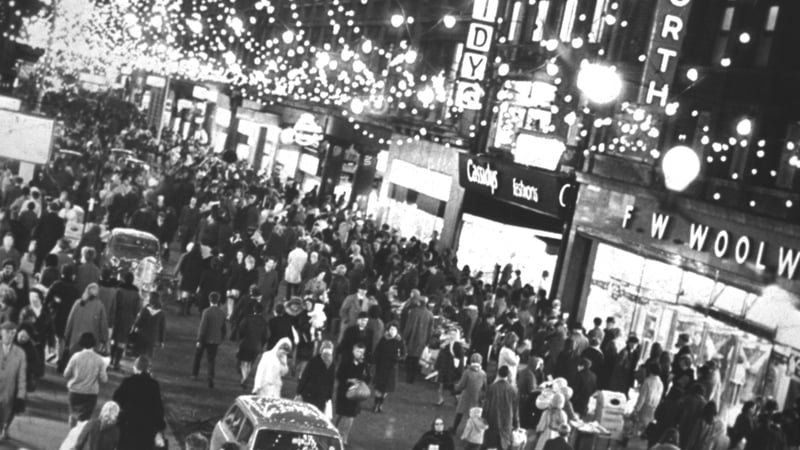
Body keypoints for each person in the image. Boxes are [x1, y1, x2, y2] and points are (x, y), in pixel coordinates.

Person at [112, 356, 166, 450]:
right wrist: (160, 425)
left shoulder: (128, 382)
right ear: (147, 369)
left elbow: (116, 398)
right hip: (147, 427)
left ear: (135, 368)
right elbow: (158, 407)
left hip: (128, 424)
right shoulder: (153, 384)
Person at [64, 332, 107, 427]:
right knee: (84, 419)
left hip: (75, 391)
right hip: (91, 394)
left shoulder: (76, 356)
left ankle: (72, 434)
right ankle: (80, 436)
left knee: (73, 415)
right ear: (94, 343)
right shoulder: (100, 360)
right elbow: (104, 379)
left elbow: (66, 374)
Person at [335, 342, 371, 446]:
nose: (359, 354)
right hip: (344, 392)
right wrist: (349, 380)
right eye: (357, 351)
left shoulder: (364, 365)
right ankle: (332, 432)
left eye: (361, 352)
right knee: (340, 414)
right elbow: (339, 376)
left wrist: (361, 381)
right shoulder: (345, 362)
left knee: (350, 416)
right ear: (353, 351)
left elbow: (368, 378)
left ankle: (344, 437)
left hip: (356, 394)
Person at [193, 291, 227, 389]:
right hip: (215, 340)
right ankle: (210, 377)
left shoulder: (206, 312)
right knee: (211, 360)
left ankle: (195, 374)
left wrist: (199, 339)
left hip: (205, 338)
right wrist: (221, 338)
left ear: (209, 300)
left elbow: (202, 327)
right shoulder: (222, 313)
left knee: (198, 356)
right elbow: (224, 329)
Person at [64, 284, 109, 356]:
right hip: (91, 344)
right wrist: (104, 339)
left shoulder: (77, 303)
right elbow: (103, 325)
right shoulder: (99, 306)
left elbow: (70, 321)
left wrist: (66, 335)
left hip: (75, 342)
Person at [483, 365, 519, 450]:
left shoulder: (492, 388)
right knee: (504, 445)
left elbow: (486, 405)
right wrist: (516, 424)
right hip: (507, 421)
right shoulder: (513, 390)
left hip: (493, 419)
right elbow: (515, 409)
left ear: (498, 373)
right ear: (508, 375)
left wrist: (483, 417)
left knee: (491, 444)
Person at [0, 321, 26, 440]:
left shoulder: (20, 353)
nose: (11, 335)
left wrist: (21, 394)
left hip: (8, 393)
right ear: (1, 333)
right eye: (8, 332)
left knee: (3, 418)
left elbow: (22, 375)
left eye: (13, 333)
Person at [372, 323, 405, 413]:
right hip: (382, 366)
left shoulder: (400, 341)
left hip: (392, 368)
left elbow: (404, 353)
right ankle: (375, 404)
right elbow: (377, 350)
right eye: (391, 329)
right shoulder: (384, 339)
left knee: (386, 388)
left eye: (394, 329)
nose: (392, 331)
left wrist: (399, 358)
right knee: (379, 387)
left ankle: (381, 404)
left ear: (397, 331)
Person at [110, 272, 139, 370]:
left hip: (117, 318)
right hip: (128, 320)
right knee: (122, 342)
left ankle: (110, 359)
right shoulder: (135, 293)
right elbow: (136, 309)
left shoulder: (119, 290)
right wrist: (133, 321)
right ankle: (117, 362)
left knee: (113, 340)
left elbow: (114, 305)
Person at [296, 340, 336, 413]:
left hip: (310, 394)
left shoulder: (314, 361)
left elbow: (305, 377)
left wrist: (299, 391)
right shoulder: (332, 364)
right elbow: (331, 381)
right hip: (320, 396)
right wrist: (329, 396)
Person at [235, 301, 268, 389]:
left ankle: (244, 378)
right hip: (257, 346)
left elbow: (241, 330)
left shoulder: (248, 318)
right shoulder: (264, 322)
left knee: (243, 362)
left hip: (246, 343)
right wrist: (262, 344)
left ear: (254, 309)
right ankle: (245, 377)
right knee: (249, 363)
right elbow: (265, 336)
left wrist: (240, 340)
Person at [402, 296, 434, 383]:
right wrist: (428, 341)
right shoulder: (430, 314)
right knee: (417, 358)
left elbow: (408, 326)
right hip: (422, 339)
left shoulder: (413, 312)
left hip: (412, 338)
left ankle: (408, 376)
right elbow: (431, 330)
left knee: (410, 356)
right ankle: (413, 377)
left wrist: (404, 337)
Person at [453, 353, 487, 433]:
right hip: (476, 397)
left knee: (460, 413)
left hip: (466, 396)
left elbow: (461, 386)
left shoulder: (467, 372)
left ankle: (454, 429)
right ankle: (470, 431)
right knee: (472, 416)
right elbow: (485, 387)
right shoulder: (483, 374)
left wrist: (455, 387)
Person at [435, 327, 465, 406]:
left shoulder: (458, 345)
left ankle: (457, 399)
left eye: (454, 334)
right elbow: (440, 355)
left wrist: (458, 370)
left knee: (451, 385)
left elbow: (460, 358)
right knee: (440, 384)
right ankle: (440, 399)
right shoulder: (445, 344)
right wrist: (437, 365)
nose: (452, 336)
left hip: (451, 369)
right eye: (450, 334)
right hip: (443, 367)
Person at [632, 361, 664, 435]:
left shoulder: (647, 381)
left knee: (637, 429)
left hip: (645, 408)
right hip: (654, 408)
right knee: (646, 430)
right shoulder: (661, 383)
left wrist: (636, 409)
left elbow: (642, 398)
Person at [131, 293, 166, 358]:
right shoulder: (161, 313)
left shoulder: (145, 310)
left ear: (151, 299)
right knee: (148, 356)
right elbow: (162, 328)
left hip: (142, 335)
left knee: (139, 355)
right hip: (153, 338)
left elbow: (139, 323)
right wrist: (162, 341)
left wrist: (135, 326)